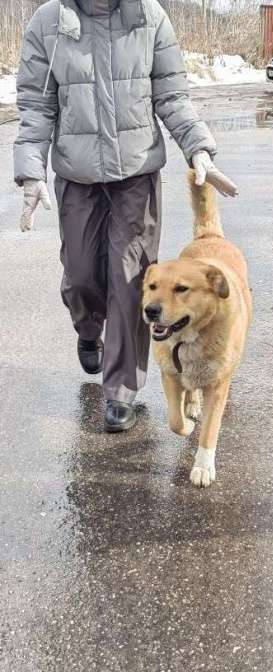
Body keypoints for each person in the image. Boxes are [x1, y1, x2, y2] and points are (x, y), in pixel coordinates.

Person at [14, 0, 227, 432]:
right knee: (80, 276)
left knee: (131, 285)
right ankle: (88, 328)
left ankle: (122, 390)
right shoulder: (49, 21)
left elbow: (171, 94)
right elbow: (36, 106)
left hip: (136, 175)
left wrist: (197, 146)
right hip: (77, 175)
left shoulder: (148, 16)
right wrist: (31, 173)